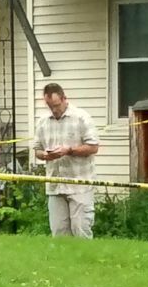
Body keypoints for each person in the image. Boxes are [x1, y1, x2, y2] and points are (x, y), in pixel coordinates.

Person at [31, 83, 100, 238]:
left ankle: (85, 261)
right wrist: (45, 155)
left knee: (81, 229)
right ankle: (62, 262)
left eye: (56, 105)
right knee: (59, 232)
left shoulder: (82, 117)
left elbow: (93, 147)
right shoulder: (43, 121)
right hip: (55, 185)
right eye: (50, 106)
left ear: (64, 99)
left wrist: (69, 150)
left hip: (80, 183)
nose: (54, 110)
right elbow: (37, 150)